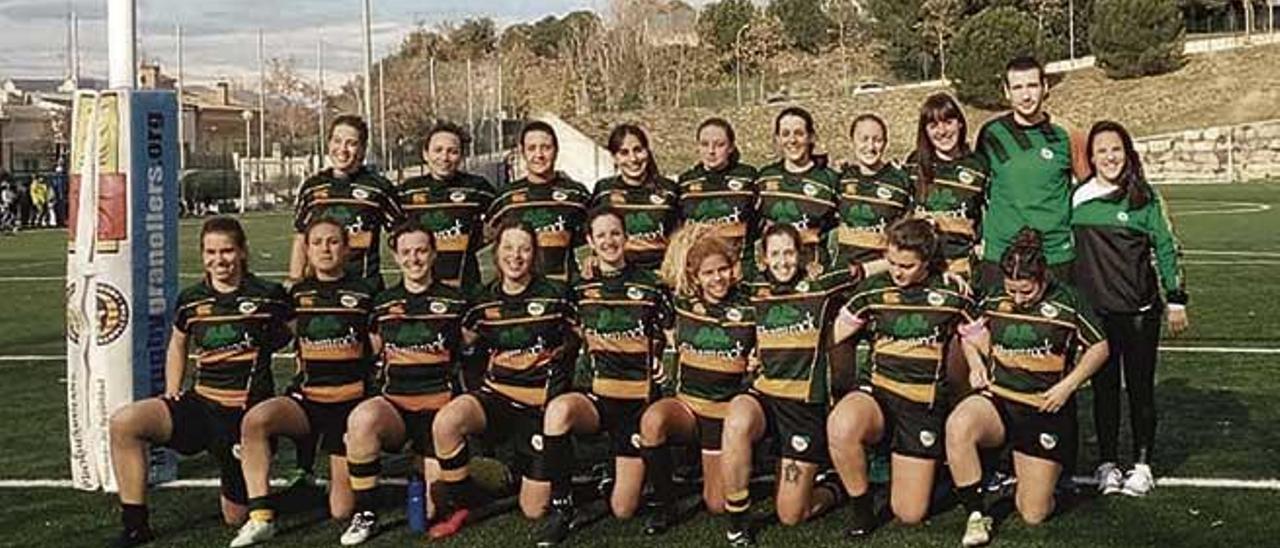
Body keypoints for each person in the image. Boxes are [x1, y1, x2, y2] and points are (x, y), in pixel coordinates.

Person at [108, 217, 290, 547]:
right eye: (210, 252)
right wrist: (172, 387)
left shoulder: (270, 296)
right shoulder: (191, 299)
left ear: (243, 252)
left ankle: (244, 478)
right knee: (125, 423)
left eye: (227, 251)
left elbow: (292, 335)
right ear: (202, 254)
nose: (219, 260)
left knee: (235, 516)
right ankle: (135, 525)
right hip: (201, 405)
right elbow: (178, 343)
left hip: (245, 417)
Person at [945, 227, 1109, 547]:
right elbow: (970, 334)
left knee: (1034, 513)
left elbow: (1099, 347)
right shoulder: (993, 295)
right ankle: (977, 515)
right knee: (958, 425)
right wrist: (977, 364)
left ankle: (1029, 478)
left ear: (1043, 277)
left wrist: (1067, 386)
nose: (1018, 299)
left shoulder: (1069, 300)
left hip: (1041, 408)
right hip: (999, 400)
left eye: (1026, 291)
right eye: (1012, 291)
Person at [231, 219, 378, 547]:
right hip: (307, 401)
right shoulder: (293, 295)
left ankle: (328, 478)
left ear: (347, 248)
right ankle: (261, 517)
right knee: (256, 420)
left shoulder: (367, 292)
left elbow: (378, 348)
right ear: (307, 250)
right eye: (317, 243)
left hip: (349, 404)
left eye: (333, 242)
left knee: (341, 510)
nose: (325, 249)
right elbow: (275, 332)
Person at [428, 220, 579, 540]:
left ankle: (516, 476)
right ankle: (464, 500)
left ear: (534, 254)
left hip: (537, 407)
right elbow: (467, 349)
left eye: (524, 248)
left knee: (534, 509)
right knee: (447, 422)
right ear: (496, 253)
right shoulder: (482, 301)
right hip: (494, 398)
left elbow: (580, 339)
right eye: (508, 247)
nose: (516, 255)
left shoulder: (557, 296)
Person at [531, 207, 673, 546]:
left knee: (623, 508)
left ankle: (661, 499)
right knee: (559, 412)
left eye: (615, 233)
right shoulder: (579, 290)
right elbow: (567, 338)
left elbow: (670, 336)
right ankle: (562, 509)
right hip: (598, 400)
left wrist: (663, 367)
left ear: (626, 237)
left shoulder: (650, 285)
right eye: (601, 235)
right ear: (590, 242)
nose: (609, 241)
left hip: (637, 403)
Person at [827, 218, 975, 538]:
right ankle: (861, 509)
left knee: (909, 513)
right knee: (841, 425)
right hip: (878, 393)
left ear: (926, 262)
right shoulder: (874, 289)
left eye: (906, 266)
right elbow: (835, 333)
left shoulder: (950, 291)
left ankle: (937, 470)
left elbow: (979, 336)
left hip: (921, 402)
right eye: (891, 262)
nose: (896, 271)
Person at [719, 224, 856, 546]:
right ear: (764, 259)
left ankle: (833, 485)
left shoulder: (819, 285)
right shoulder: (753, 288)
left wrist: (939, 269)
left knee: (792, 515)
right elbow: (705, 278)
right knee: (737, 419)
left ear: (802, 256)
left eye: (789, 253)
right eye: (775, 254)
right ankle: (737, 520)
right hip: (763, 397)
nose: (783, 262)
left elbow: (865, 269)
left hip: (803, 407)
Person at [1072, 120, 1189, 497]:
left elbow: (1168, 247)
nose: (1110, 157)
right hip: (1096, 316)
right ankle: (1107, 463)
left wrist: (1176, 298)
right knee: (1104, 391)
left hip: (1139, 312)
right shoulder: (1077, 197)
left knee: (1140, 390)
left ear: (1128, 153)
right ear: (1090, 157)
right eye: (1102, 150)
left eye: (1116, 149)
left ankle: (1142, 465)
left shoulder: (1144, 197)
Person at [338, 222, 469, 545]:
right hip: (396, 408)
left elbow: (470, 354)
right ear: (395, 257)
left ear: (434, 254)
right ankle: (366, 513)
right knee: (361, 419)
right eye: (406, 252)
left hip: (439, 413)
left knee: (432, 511)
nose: (414, 259)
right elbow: (370, 354)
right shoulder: (382, 304)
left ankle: (474, 468)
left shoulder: (455, 302)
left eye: (421, 250)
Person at [640, 225, 756, 535]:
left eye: (723, 270)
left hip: (723, 416)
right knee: (652, 421)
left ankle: (742, 465)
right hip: (688, 409)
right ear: (694, 276)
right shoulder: (681, 301)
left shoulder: (749, 305)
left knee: (717, 504)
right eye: (708, 272)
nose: (717, 278)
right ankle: (665, 505)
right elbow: (652, 276)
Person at [976, 55, 1090, 285]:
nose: (1026, 95)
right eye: (1017, 87)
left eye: (1032, 85)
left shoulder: (1067, 133)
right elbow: (975, 191)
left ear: (1045, 87)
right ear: (1006, 91)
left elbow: (1090, 190)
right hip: (1001, 255)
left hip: (1055, 254)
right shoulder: (991, 134)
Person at [289, 114, 404, 291]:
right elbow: (301, 238)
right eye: (337, 141)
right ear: (329, 144)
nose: (342, 149)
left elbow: (402, 235)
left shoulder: (379, 188)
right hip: (320, 290)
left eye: (351, 143)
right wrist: (295, 280)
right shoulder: (311, 187)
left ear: (363, 149)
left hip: (365, 289)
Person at [396, 122, 496, 293]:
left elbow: (503, 220)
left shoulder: (477, 188)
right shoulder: (407, 191)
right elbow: (394, 232)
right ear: (425, 154)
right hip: (420, 290)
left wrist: (477, 241)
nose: (444, 157)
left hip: (466, 288)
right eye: (438, 150)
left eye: (453, 151)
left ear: (462, 156)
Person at [486, 121, 591, 282]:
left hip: (563, 289)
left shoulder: (577, 194)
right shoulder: (506, 197)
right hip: (521, 291)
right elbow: (489, 236)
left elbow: (598, 233)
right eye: (532, 148)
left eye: (546, 148)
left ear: (556, 151)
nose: (539, 155)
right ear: (522, 152)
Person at [903, 93, 990, 280]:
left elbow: (989, 214)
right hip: (919, 270)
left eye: (948, 122)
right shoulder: (913, 163)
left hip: (962, 269)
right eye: (933, 125)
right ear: (925, 131)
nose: (942, 131)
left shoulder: (979, 165)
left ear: (960, 123)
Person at [754, 107, 840, 274]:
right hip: (775, 271)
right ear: (777, 139)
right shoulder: (764, 178)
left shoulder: (831, 180)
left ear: (811, 137)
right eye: (785, 134)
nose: (792, 140)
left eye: (799, 133)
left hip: (814, 271)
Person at [589, 124, 680, 272]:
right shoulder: (603, 190)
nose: (633, 158)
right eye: (624, 152)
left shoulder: (670, 189)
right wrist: (592, 257)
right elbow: (590, 233)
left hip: (660, 276)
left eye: (638, 150)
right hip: (619, 276)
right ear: (614, 157)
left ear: (647, 151)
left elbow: (679, 236)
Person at [833, 113, 913, 277]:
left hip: (882, 273)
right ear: (852, 141)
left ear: (886, 143)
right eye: (864, 139)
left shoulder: (901, 181)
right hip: (844, 273)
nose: (870, 147)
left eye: (877, 140)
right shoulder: (842, 178)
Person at [675, 118, 759, 265]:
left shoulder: (748, 177)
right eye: (704, 144)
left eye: (719, 145)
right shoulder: (686, 182)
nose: (711, 151)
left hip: (738, 264)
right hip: (699, 267)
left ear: (731, 147)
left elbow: (756, 225)